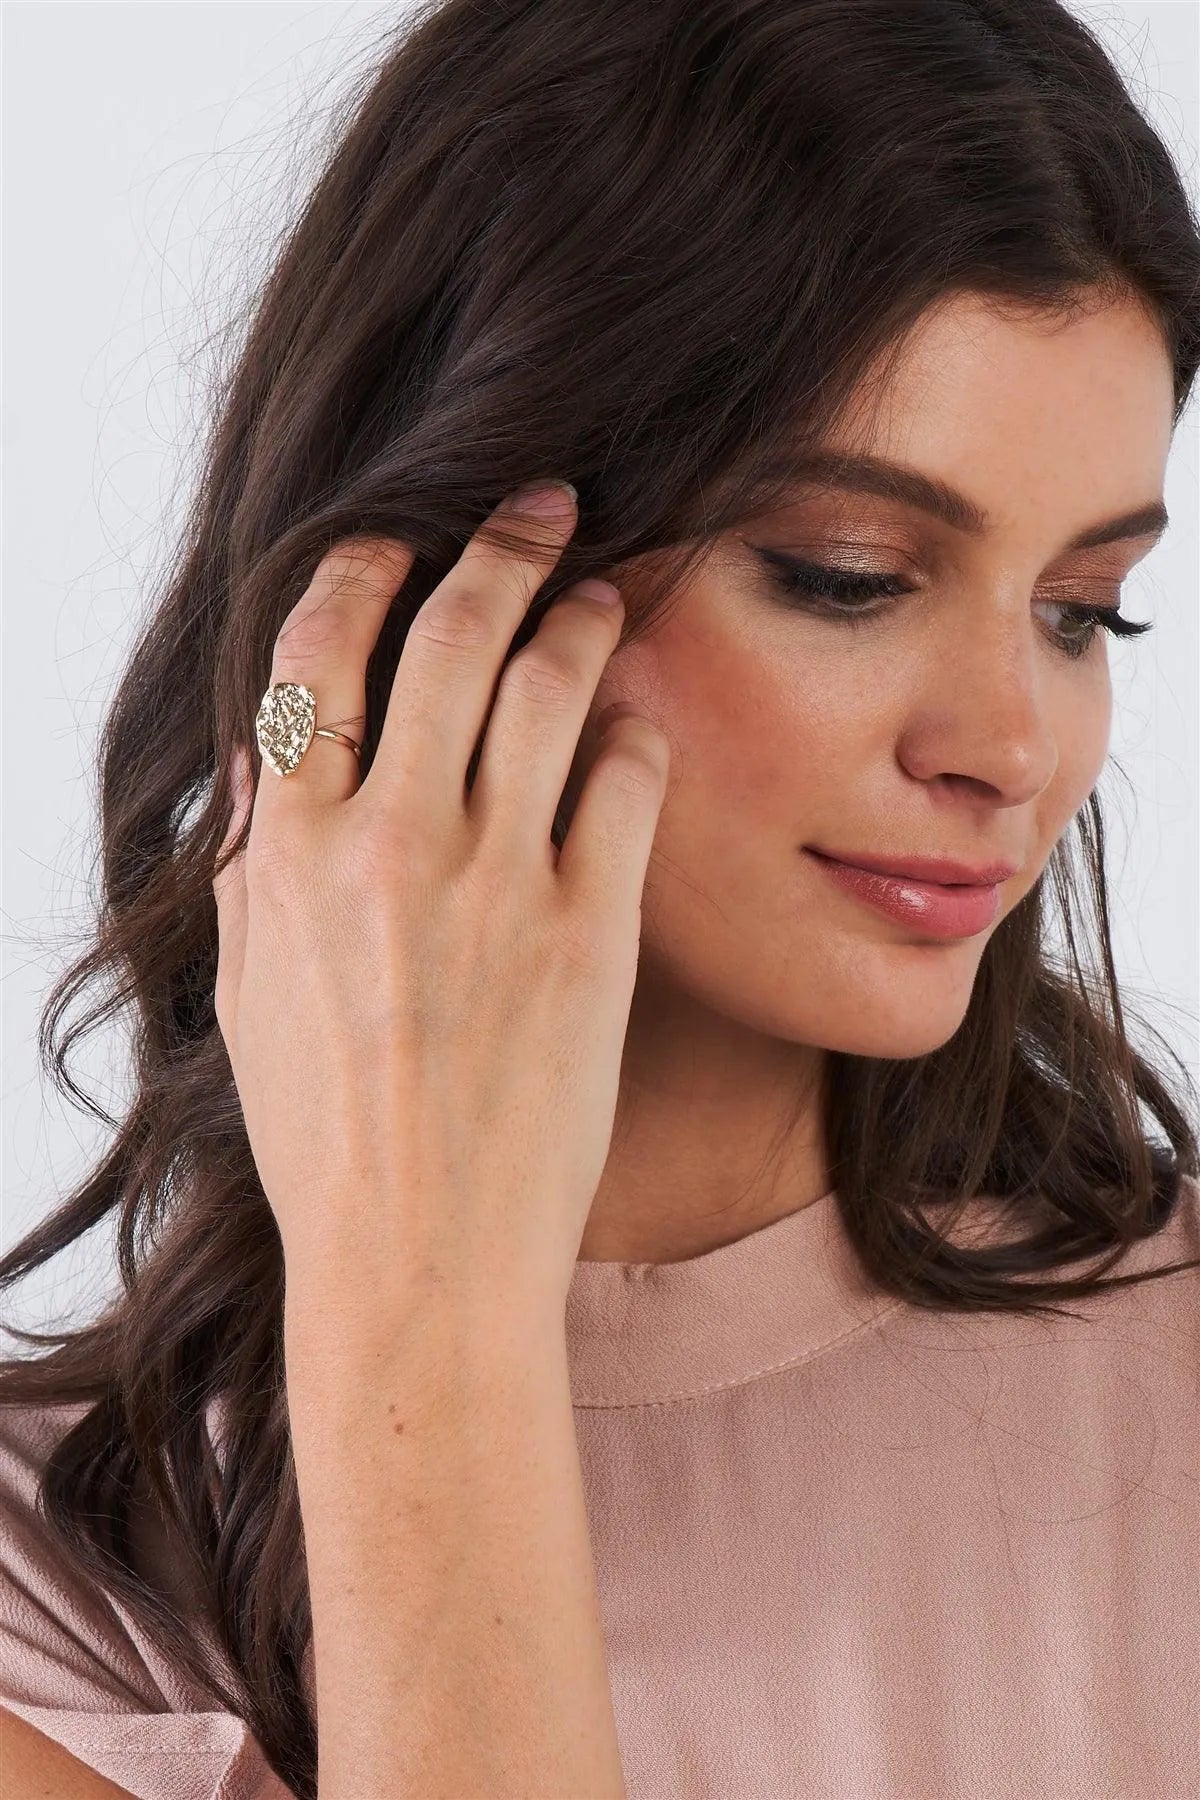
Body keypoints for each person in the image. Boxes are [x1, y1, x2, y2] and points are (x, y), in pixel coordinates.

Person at [2, 1, 1198, 1795]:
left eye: (1082, 611)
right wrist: (434, 1324)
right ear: (428, 582)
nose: (1013, 746)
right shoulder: (60, 1604)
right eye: (848, 575)